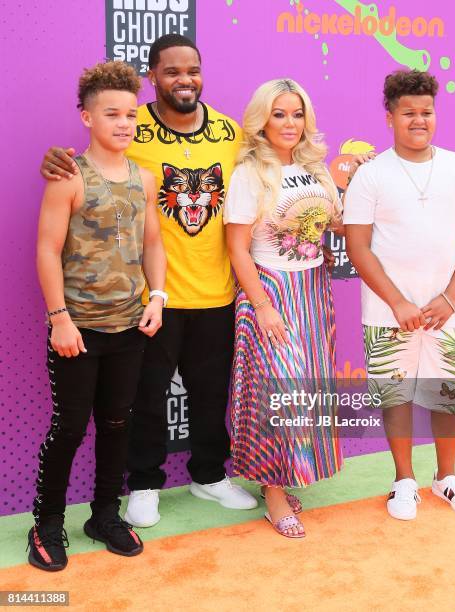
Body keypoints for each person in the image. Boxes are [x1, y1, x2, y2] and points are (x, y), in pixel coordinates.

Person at [40, 35, 257, 528]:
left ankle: (209, 474)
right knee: (145, 397)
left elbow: (268, 169)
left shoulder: (229, 131)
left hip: (216, 289)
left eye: (193, 70)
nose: (185, 79)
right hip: (148, 299)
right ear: (153, 77)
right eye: (173, 71)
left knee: (209, 392)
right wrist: (56, 160)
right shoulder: (130, 124)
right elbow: (90, 161)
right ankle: (142, 484)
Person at [28, 61, 167, 571]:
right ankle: (46, 523)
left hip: (130, 325)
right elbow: (47, 250)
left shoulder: (143, 178)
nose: (124, 123)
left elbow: (153, 241)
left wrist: (158, 297)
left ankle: (105, 514)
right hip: (78, 328)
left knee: (116, 423)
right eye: (112, 114)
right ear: (86, 117)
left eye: (131, 114)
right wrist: (59, 317)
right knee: (69, 427)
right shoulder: (68, 176)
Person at [343, 70, 455, 520]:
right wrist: (398, 303)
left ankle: (446, 477)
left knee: (447, 395)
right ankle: (403, 480)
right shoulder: (371, 176)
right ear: (390, 117)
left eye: (426, 112)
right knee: (397, 397)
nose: (419, 120)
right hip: (389, 313)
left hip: (446, 312)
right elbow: (357, 246)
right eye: (408, 113)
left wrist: (449, 297)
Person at [224, 79, 343, 538]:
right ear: (262, 120)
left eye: (296, 114)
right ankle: (273, 495)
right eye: (279, 114)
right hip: (270, 290)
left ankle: (287, 477)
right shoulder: (250, 173)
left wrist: (357, 178)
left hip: (313, 290)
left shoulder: (316, 168)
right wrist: (263, 306)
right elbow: (237, 249)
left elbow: (332, 221)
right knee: (279, 390)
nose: (289, 123)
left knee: (306, 391)